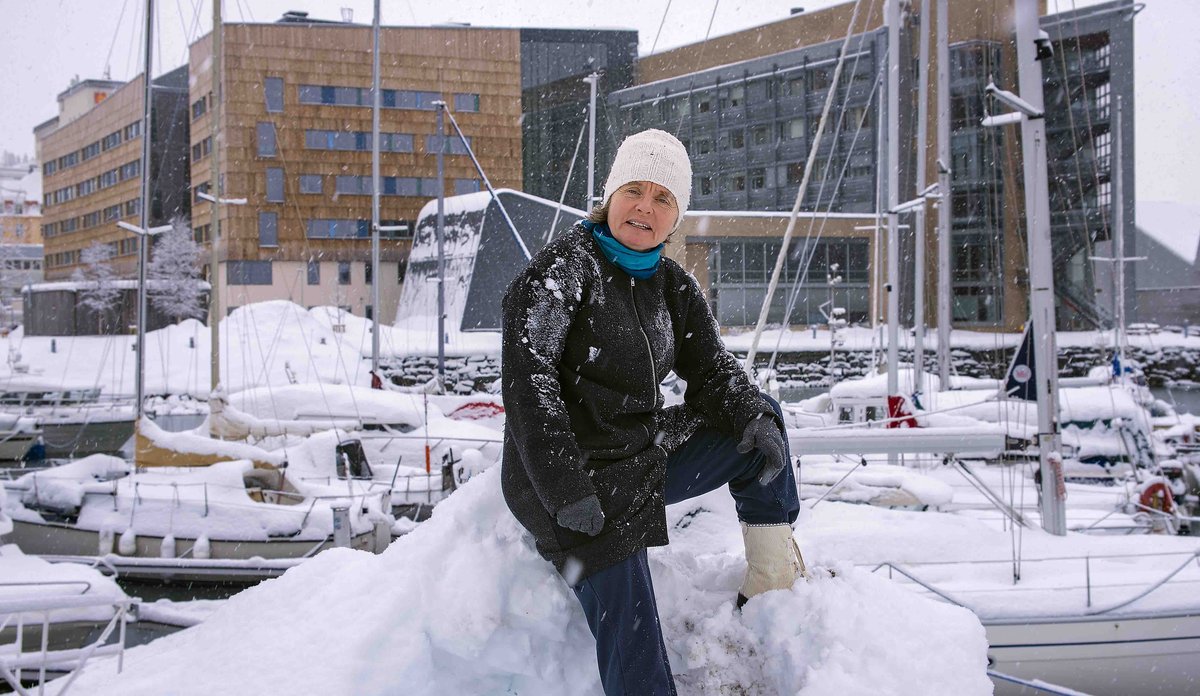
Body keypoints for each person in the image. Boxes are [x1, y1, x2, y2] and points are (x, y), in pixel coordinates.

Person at [501, 128, 807, 695]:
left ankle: (771, 579)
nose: (645, 207)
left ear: (676, 215)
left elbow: (713, 372)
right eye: (634, 190)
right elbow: (529, 390)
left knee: (758, 418)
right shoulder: (559, 273)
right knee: (634, 637)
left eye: (663, 197)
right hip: (571, 482)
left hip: (639, 457)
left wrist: (750, 416)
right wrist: (566, 491)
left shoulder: (672, 286)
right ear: (610, 197)